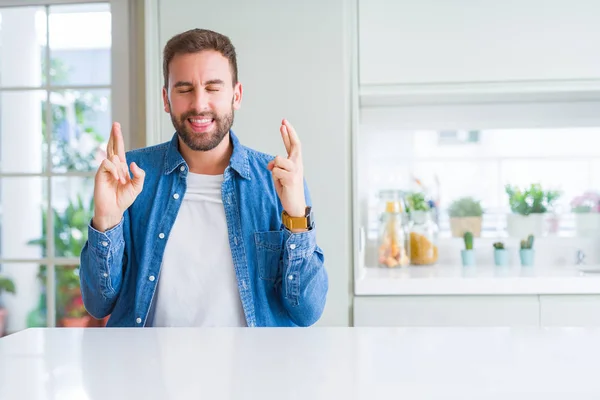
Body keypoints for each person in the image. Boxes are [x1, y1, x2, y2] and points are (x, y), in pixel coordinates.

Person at [79, 28, 328, 328]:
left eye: (213, 88)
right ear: (166, 98)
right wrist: (106, 220)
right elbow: (98, 303)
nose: (199, 104)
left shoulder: (277, 181)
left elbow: (308, 311)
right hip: (147, 372)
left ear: (236, 95)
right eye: (184, 89)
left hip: (252, 372)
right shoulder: (130, 176)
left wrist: (296, 216)